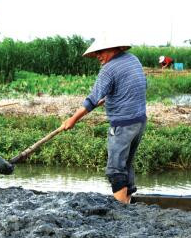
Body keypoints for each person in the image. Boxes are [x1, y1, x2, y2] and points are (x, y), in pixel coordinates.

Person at [62, 36, 147, 204]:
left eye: (100, 52)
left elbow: (92, 99)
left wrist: (72, 120)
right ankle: (128, 204)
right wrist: (111, 98)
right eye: (96, 53)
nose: (98, 56)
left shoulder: (109, 69)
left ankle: (120, 209)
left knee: (115, 169)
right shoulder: (133, 60)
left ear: (113, 49)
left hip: (123, 125)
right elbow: (140, 85)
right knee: (126, 164)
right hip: (140, 121)